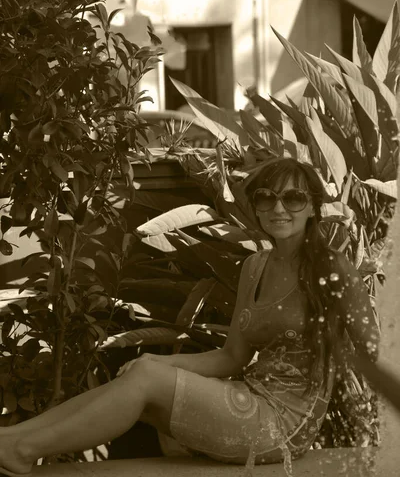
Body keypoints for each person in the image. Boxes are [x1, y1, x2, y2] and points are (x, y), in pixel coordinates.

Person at [0, 158, 379, 475]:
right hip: (251, 396)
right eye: (267, 198)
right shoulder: (255, 266)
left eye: (293, 198)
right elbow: (231, 357)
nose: (279, 208)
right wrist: (154, 361)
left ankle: (22, 448)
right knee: (141, 372)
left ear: (313, 205)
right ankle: (12, 441)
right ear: (257, 206)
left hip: (284, 426)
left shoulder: (330, 267)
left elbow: (374, 349)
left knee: (146, 378)